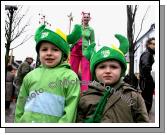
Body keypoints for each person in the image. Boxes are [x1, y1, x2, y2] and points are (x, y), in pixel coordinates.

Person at [15, 24, 81, 123]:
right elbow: (20, 103)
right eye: (44, 49)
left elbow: (70, 110)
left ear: (63, 54)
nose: (49, 53)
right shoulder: (30, 76)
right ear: (39, 53)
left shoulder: (70, 77)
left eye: (55, 49)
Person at [77, 34, 149, 123]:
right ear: (94, 72)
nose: (108, 71)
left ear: (121, 71)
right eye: (102, 67)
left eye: (113, 67)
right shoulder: (85, 97)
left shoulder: (133, 96)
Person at [70, 11, 95, 92]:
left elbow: (93, 42)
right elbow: (72, 37)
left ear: (89, 19)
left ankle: (85, 90)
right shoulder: (77, 27)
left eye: (87, 17)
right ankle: (70, 87)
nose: (86, 18)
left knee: (86, 70)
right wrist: (70, 46)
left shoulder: (91, 30)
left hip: (85, 51)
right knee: (72, 68)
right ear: (82, 18)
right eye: (85, 17)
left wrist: (93, 53)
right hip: (75, 49)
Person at [139, 37, 155, 114]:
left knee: (145, 100)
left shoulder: (148, 53)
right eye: (153, 44)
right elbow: (145, 67)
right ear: (148, 45)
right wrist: (149, 80)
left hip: (145, 81)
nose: (155, 46)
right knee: (147, 101)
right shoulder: (147, 54)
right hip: (146, 81)